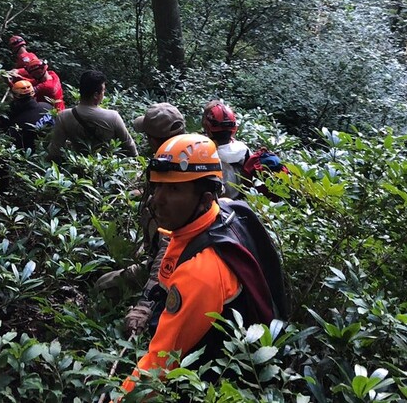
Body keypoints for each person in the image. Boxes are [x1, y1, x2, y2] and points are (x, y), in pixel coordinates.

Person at [121, 133, 287, 395]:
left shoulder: (201, 272)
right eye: (158, 186)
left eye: (174, 189)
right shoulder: (226, 212)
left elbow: (159, 366)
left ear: (206, 198)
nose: (157, 199)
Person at [96, 103, 187, 334]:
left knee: (103, 285)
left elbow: (169, 247)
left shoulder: (174, 182)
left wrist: (146, 304)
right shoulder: (185, 162)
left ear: (155, 140)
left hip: (174, 268)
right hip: (158, 253)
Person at [47, 70, 137, 162]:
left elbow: (55, 151)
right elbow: (129, 145)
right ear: (96, 95)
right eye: (103, 91)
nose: (103, 94)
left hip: (78, 167)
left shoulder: (64, 116)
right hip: (108, 167)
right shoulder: (113, 116)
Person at [202, 100, 250, 199]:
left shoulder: (201, 150)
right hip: (239, 203)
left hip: (213, 203)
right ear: (234, 129)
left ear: (207, 127)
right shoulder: (243, 150)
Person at [4, 79, 54, 153]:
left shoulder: (19, 123)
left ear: (16, 97)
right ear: (33, 93)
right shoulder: (47, 106)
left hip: (36, 156)